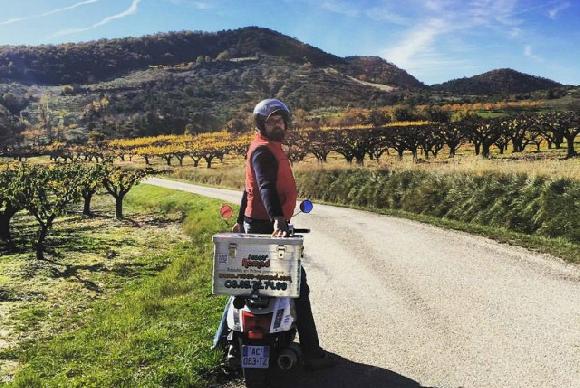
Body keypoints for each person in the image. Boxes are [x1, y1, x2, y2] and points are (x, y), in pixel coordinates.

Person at [214, 98, 334, 370]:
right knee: (297, 289)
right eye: (271, 121)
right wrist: (278, 219)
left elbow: (250, 188)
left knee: (244, 283)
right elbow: (265, 188)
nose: (278, 125)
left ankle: (227, 344)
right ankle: (313, 354)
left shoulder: (263, 148)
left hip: (254, 223)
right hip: (266, 226)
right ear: (261, 125)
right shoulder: (264, 151)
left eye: (280, 120)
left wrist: (238, 219)